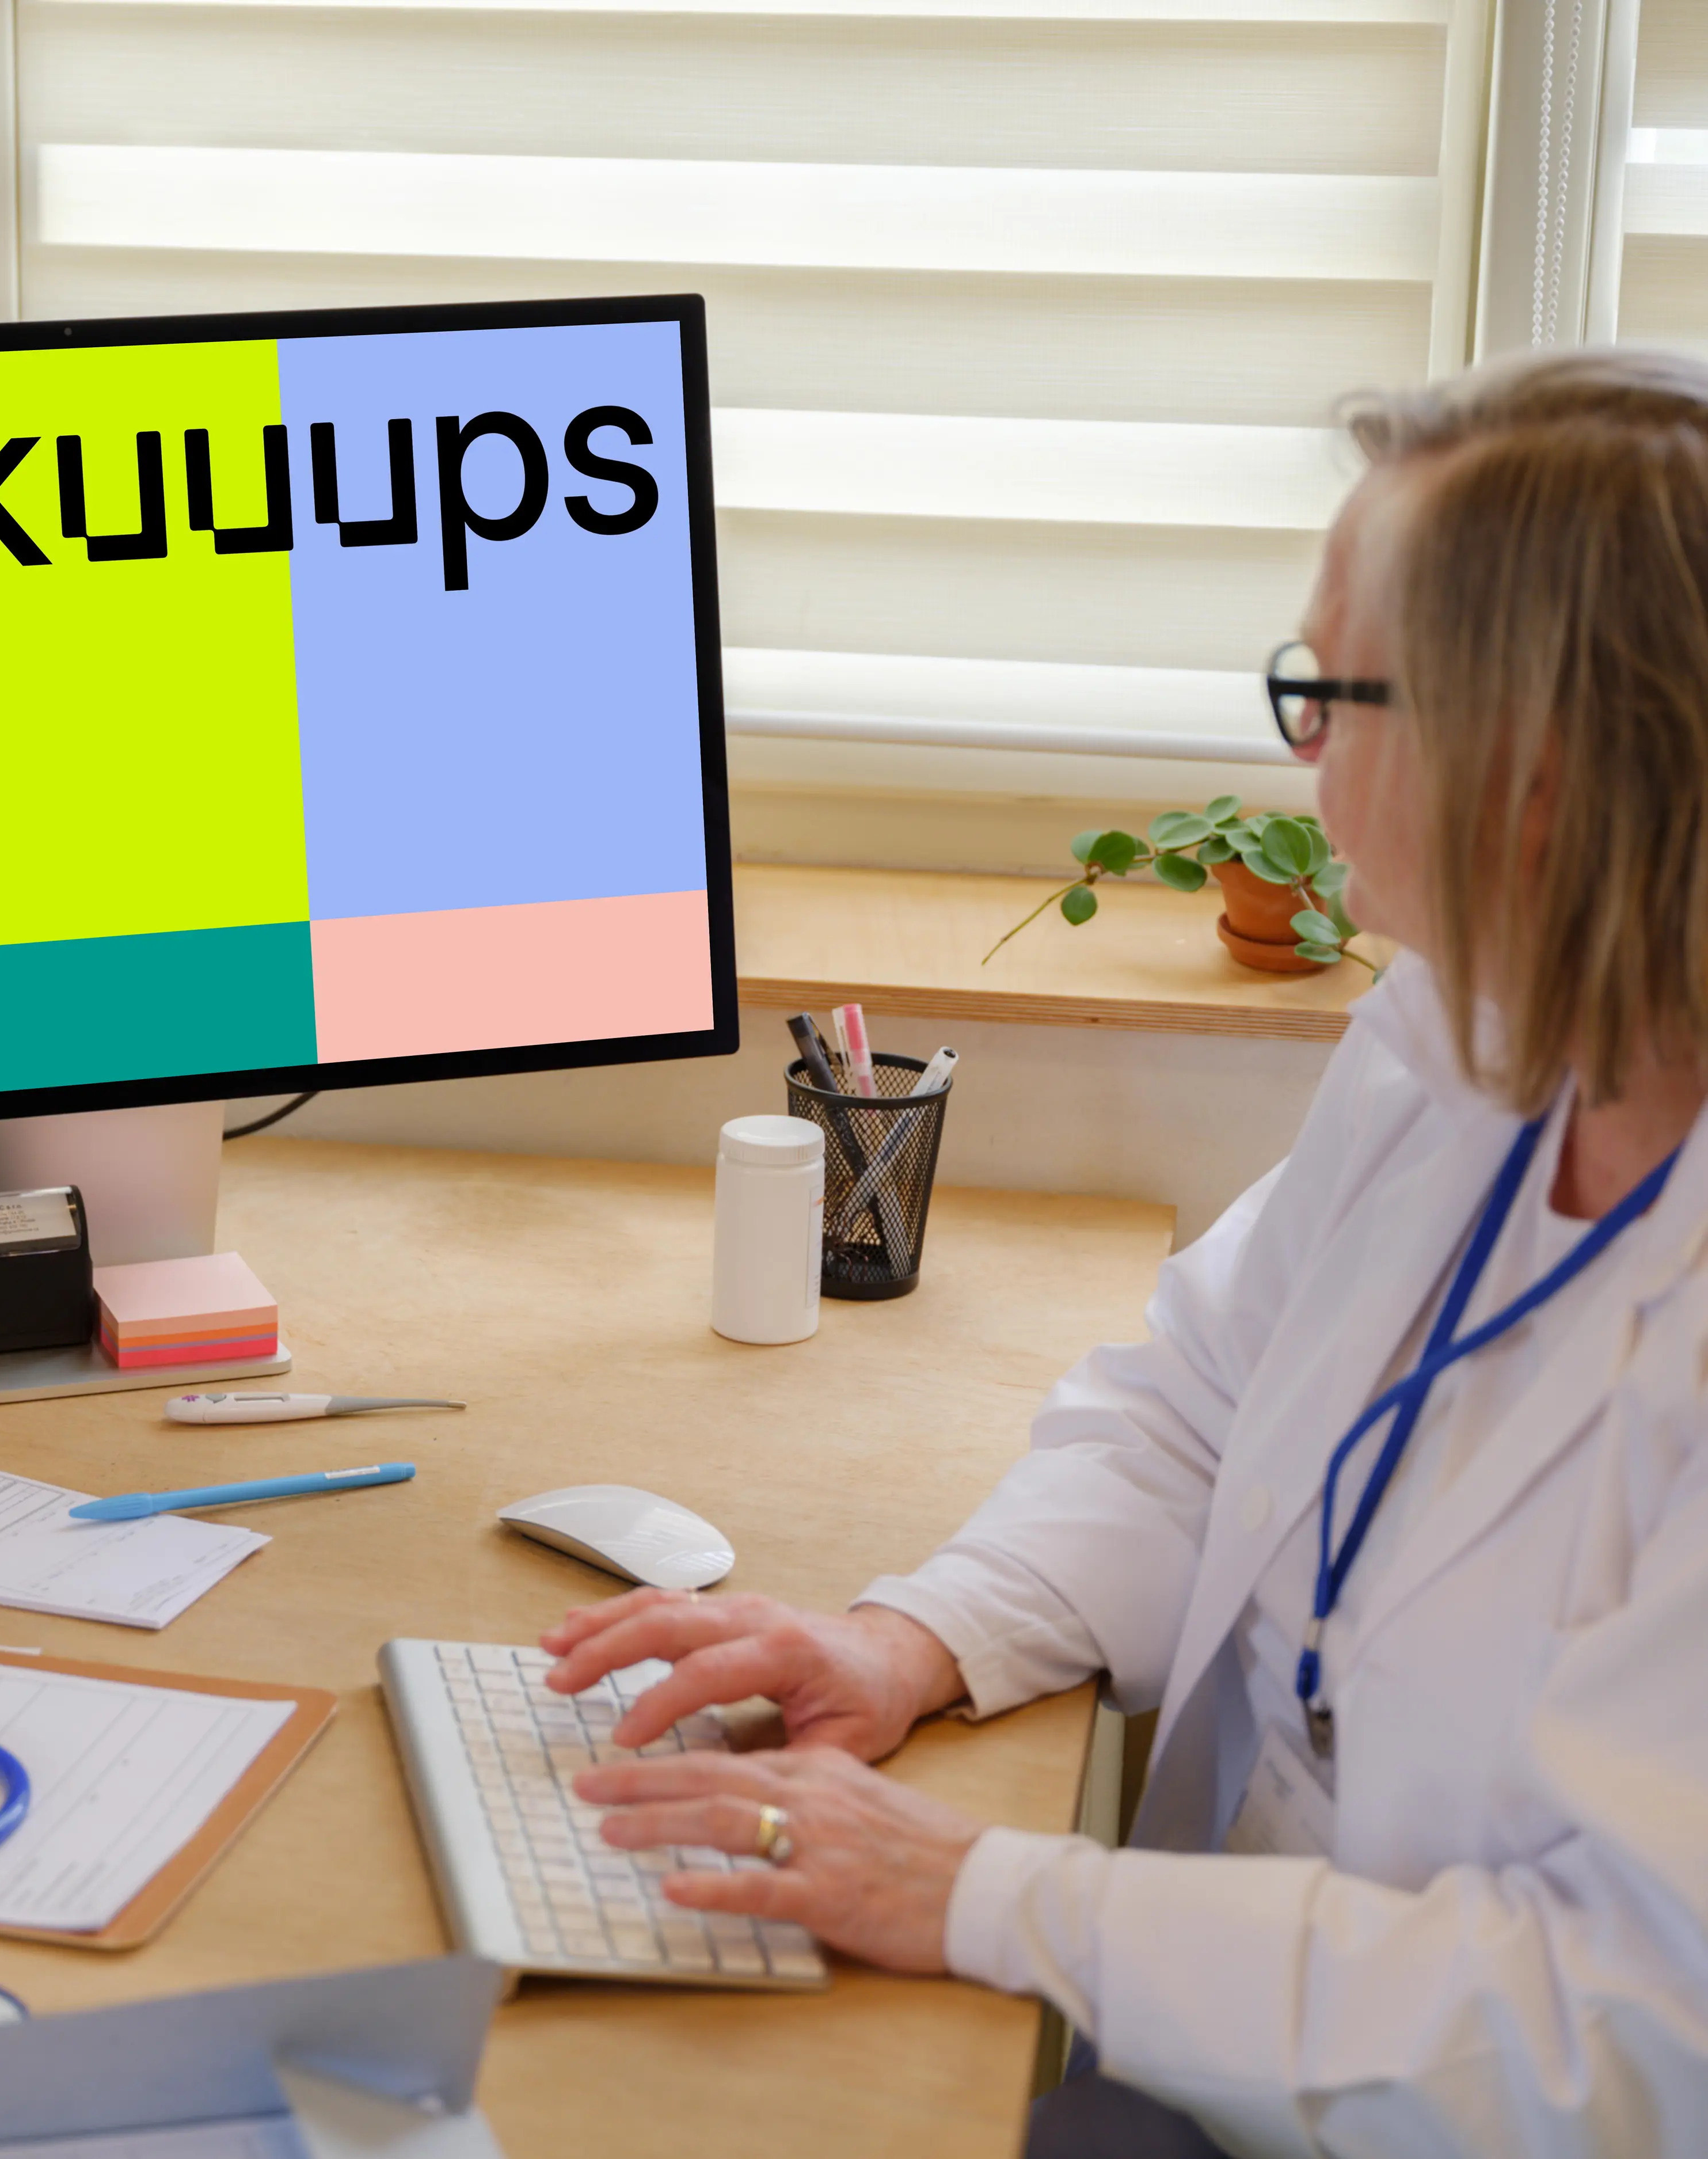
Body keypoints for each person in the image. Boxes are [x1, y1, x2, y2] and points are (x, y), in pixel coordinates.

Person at [546, 346, 1708, 2158]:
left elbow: (1621, 2026)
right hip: (1222, 2033)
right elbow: (1195, 1414)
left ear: (1531, 771)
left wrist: (986, 1891)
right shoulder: (1464, 1046)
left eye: (1330, 693)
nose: (1297, 756)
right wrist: (919, 1634)